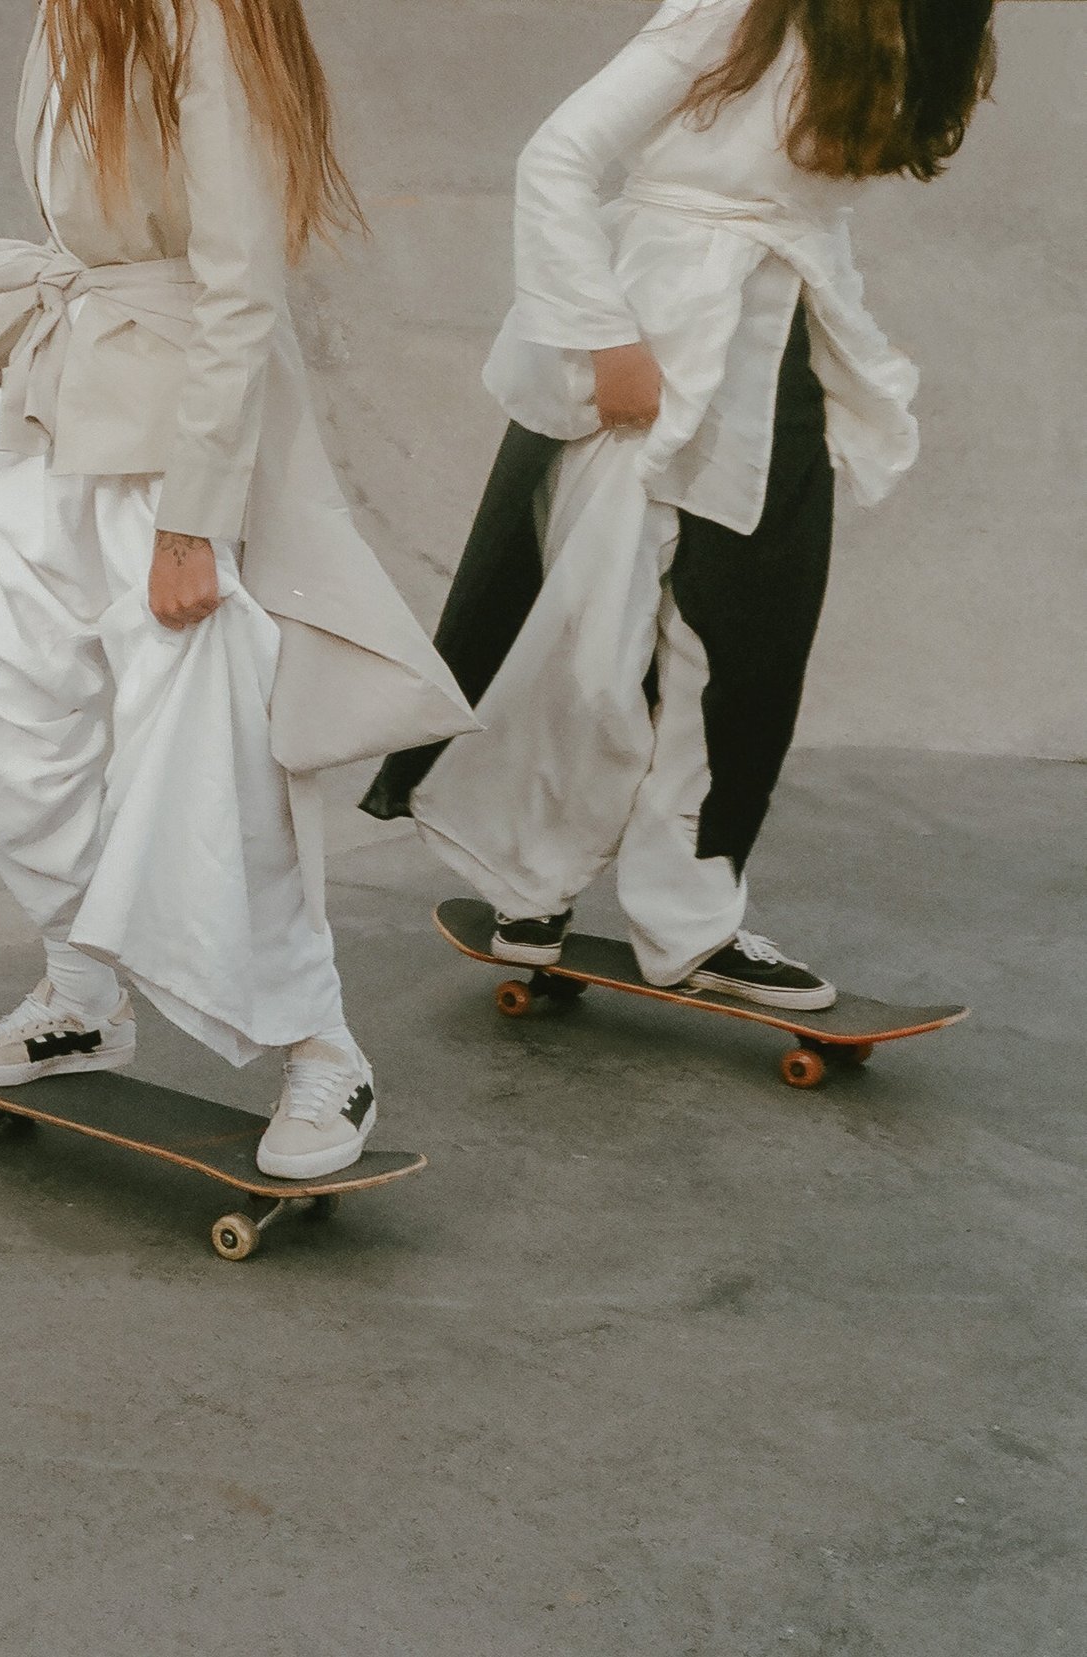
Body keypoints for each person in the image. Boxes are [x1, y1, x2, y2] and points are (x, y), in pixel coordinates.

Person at [0, 0, 474, 1178]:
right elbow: (84, 244)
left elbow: (239, 281)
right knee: (20, 714)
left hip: (174, 444)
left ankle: (322, 1051)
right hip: (56, 411)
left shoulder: (202, 18)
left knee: (210, 757)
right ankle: (82, 997)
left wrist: (194, 517)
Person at [363, 0, 998, 1010]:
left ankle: (689, 924)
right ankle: (530, 887)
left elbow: (798, 204)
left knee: (747, 645)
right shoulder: (736, 9)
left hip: (777, 342)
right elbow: (558, 155)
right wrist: (603, 336)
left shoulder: (918, 26)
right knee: (590, 633)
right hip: (655, 336)